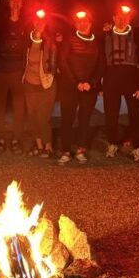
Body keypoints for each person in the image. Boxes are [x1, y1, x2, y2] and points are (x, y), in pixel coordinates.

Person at [102, 4, 139, 162]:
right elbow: (100, 61)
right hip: (111, 78)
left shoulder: (137, 35)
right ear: (113, 18)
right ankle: (112, 142)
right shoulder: (105, 35)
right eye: (118, 17)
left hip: (131, 78)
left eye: (125, 17)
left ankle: (137, 147)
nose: (121, 20)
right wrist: (100, 85)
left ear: (129, 19)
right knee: (111, 113)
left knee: (135, 114)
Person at [58, 10, 104, 164]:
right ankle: (65, 150)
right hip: (70, 87)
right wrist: (76, 82)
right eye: (80, 22)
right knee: (67, 119)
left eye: (86, 22)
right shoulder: (68, 39)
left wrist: (91, 83)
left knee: (85, 119)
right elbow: (62, 62)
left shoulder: (97, 41)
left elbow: (101, 65)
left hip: (89, 88)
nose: (83, 24)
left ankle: (80, 149)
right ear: (76, 24)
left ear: (90, 24)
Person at [0, 0, 28, 154]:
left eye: (18, 0)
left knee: (19, 107)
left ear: (22, 4)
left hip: (18, 72)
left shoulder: (27, 22)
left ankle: (16, 139)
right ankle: (0, 138)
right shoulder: (0, 21)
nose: (15, 3)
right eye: (12, 0)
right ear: (8, 3)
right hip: (0, 71)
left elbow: (36, 38)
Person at [23, 8, 58, 158]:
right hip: (29, 83)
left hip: (46, 84)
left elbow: (54, 62)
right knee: (32, 115)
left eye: (42, 22)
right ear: (33, 22)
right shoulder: (27, 40)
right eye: (36, 21)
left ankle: (48, 146)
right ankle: (38, 145)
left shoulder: (50, 41)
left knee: (43, 117)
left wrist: (51, 74)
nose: (39, 24)